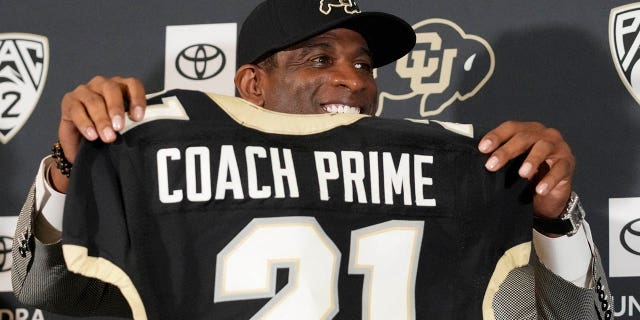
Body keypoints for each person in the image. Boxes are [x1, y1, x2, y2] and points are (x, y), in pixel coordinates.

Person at [12, 0, 612, 319]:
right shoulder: (157, 148)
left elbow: (574, 319)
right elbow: (44, 289)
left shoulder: (454, 166)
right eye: (318, 60)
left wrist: (552, 216)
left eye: (364, 64)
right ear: (250, 83)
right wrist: (71, 163)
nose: (352, 80)